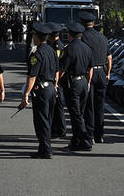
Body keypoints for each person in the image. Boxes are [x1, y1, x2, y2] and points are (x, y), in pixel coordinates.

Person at [20, 22, 57, 159]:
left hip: (41, 90)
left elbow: (32, 76)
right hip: (51, 88)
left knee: (41, 121)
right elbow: (57, 70)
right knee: (48, 119)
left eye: (34, 35)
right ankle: (44, 147)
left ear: (37, 37)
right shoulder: (52, 51)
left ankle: (46, 150)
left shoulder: (37, 54)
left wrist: (26, 94)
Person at [58, 22, 93, 152]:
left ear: (69, 34)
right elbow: (90, 68)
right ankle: (76, 140)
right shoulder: (87, 48)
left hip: (73, 83)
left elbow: (62, 69)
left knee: (75, 114)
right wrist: (88, 83)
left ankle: (85, 140)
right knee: (80, 113)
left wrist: (56, 83)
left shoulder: (69, 49)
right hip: (84, 81)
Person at [81, 11, 111, 143]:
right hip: (102, 73)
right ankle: (100, 135)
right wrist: (108, 73)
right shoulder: (103, 37)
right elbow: (109, 58)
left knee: (89, 106)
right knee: (100, 106)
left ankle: (90, 134)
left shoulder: (83, 37)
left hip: (90, 73)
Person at [48, 22, 67, 140]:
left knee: (58, 105)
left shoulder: (57, 47)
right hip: (56, 79)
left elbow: (60, 67)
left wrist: (56, 81)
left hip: (57, 80)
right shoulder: (55, 45)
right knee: (55, 105)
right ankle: (56, 128)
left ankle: (60, 129)